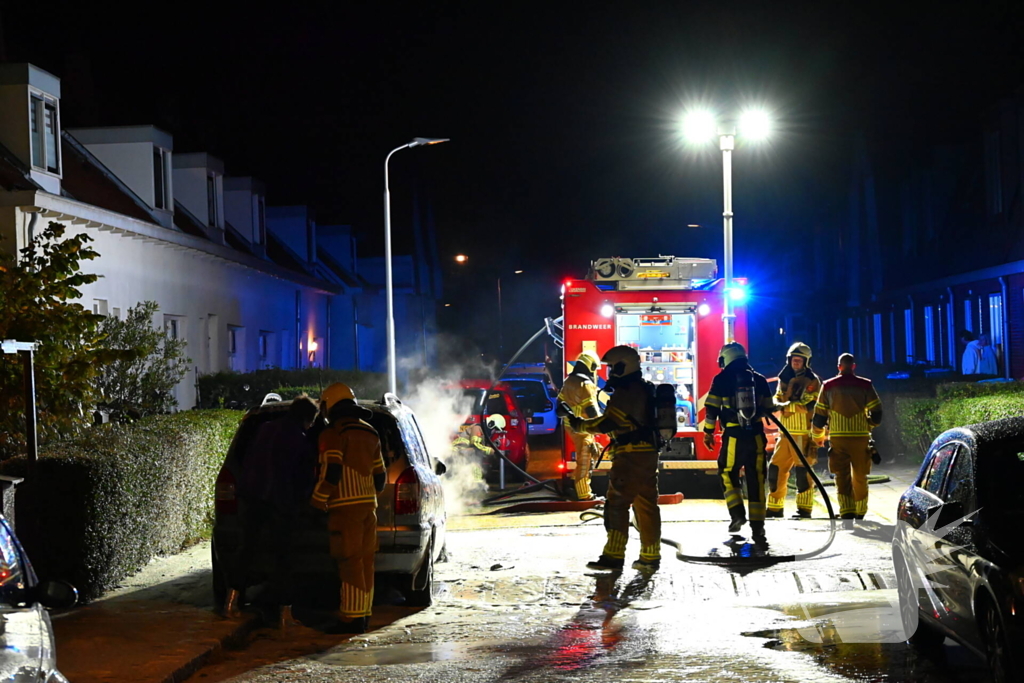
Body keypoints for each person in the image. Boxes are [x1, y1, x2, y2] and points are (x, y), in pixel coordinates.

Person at [563, 346, 661, 572]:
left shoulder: (627, 392)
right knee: (646, 505)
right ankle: (650, 556)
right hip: (647, 455)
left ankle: (614, 556)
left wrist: (580, 425)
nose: (609, 373)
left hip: (630, 456)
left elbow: (607, 423)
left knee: (617, 504)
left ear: (622, 366)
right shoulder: (645, 389)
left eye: (612, 367)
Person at [224, 396, 319, 627]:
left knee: (246, 549)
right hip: (279, 502)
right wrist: (304, 502)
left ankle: (231, 603)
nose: (311, 426)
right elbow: (304, 479)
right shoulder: (300, 440)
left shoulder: (265, 429)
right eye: (312, 421)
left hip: (252, 497)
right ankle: (285, 614)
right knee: (283, 557)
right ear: (306, 418)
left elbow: (247, 460)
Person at [310, 383, 387, 634]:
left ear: (329, 406)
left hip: (345, 508)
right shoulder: (370, 432)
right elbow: (380, 478)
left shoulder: (333, 434)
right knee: (365, 562)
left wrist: (317, 500)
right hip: (368, 507)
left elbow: (331, 471)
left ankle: (350, 620)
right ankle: (363, 614)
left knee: (349, 561)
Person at [703, 342, 775, 545]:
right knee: (757, 478)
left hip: (734, 435)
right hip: (756, 437)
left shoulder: (721, 379)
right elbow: (769, 408)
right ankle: (758, 529)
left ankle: (736, 514)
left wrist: (708, 433)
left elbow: (711, 410)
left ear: (726, 358)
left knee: (727, 471)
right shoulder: (759, 379)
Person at [811, 354, 883, 530]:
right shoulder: (865, 385)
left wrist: (818, 437)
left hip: (838, 438)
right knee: (860, 475)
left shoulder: (828, 386)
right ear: (854, 366)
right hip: (860, 438)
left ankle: (847, 513)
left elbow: (819, 417)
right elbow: (877, 412)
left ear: (839, 367)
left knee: (841, 476)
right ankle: (860, 511)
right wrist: (869, 425)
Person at [767, 343, 821, 519]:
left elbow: (808, 405)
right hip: (785, 433)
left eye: (799, 360)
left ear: (806, 362)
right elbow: (778, 396)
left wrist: (785, 406)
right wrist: (775, 402)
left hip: (803, 433)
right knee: (775, 468)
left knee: (803, 472)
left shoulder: (813, 381)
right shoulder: (784, 378)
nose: (796, 363)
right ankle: (774, 508)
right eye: (793, 360)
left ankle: (804, 509)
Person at [557, 351, 603, 501]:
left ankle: (583, 492)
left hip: (570, 426)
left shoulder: (569, 381)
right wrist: (605, 425)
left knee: (584, 459)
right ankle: (584, 494)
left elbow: (559, 406)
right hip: (584, 428)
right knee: (585, 461)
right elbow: (592, 410)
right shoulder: (586, 385)